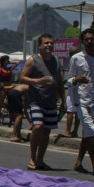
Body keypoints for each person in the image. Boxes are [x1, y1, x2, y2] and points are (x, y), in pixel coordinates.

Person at [67, 26, 94, 175]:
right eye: (86, 39)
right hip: (81, 100)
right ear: (82, 41)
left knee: (88, 132)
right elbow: (69, 80)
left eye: (92, 39)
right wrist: (77, 79)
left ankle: (78, 162)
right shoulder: (76, 58)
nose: (89, 42)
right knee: (89, 129)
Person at [19, 33, 64, 171]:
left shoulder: (56, 61)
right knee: (37, 127)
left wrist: (63, 100)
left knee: (46, 131)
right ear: (39, 46)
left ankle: (40, 160)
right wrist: (37, 81)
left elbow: (60, 82)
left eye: (51, 43)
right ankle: (32, 158)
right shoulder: (33, 60)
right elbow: (23, 78)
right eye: (46, 43)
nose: (49, 45)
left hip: (51, 102)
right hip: (36, 101)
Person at [0, 55, 17, 126]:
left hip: (9, 87)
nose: (7, 61)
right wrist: (0, 61)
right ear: (3, 61)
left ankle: (12, 117)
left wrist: (10, 62)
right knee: (0, 105)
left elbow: (18, 63)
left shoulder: (9, 69)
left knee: (11, 103)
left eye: (8, 60)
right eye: (6, 60)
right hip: (2, 87)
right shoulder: (0, 69)